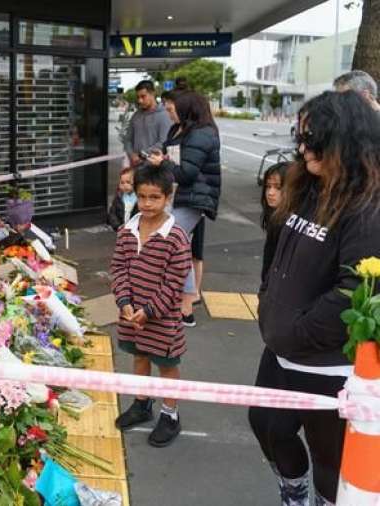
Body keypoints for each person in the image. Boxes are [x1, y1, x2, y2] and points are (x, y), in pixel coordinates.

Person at [249, 91, 380, 506]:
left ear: (348, 142)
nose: (303, 149)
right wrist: (268, 299)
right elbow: (276, 254)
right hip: (282, 347)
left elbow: (356, 288)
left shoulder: (367, 207)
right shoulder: (307, 186)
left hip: (325, 361)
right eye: (301, 138)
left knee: (330, 457)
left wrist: (299, 330)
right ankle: (294, 490)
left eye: (315, 141)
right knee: (267, 425)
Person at [110, 165, 192, 447]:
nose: (146, 203)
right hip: (132, 315)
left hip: (161, 320)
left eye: (154, 197)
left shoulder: (176, 237)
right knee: (139, 356)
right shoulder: (126, 231)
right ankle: (142, 403)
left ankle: (170, 414)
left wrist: (150, 311)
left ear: (168, 197)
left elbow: (174, 282)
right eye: (142, 196)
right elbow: (118, 269)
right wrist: (124, 302)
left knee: (167, 365)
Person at [146, 91, 221, 326]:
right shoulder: (179, 129)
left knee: (171, 239)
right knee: (180, 246)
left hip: (194, 198)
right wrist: (161, 157)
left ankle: (186, 305)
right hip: (177, 196)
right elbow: (175, 160)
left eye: (171, 109)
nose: (168, 113)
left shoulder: (202, 133)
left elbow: (186, 172)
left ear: (187, 109)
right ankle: (182, 304)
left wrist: (163, 163)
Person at [123, 80, 174, 168]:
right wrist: (132, 155)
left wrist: (141, 155)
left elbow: (164, 142)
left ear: (153, 94)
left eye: (143, 96)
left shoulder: (164, 115)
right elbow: (128, 139)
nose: (140, 100)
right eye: (138, 97)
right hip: (136, 166)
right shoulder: (136, 115)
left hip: (154, 169)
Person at [259, 162, 288, 281]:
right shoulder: (273, 216)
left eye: (278, 187)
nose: (270, 193)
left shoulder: (288, 223)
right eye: (268, 186)